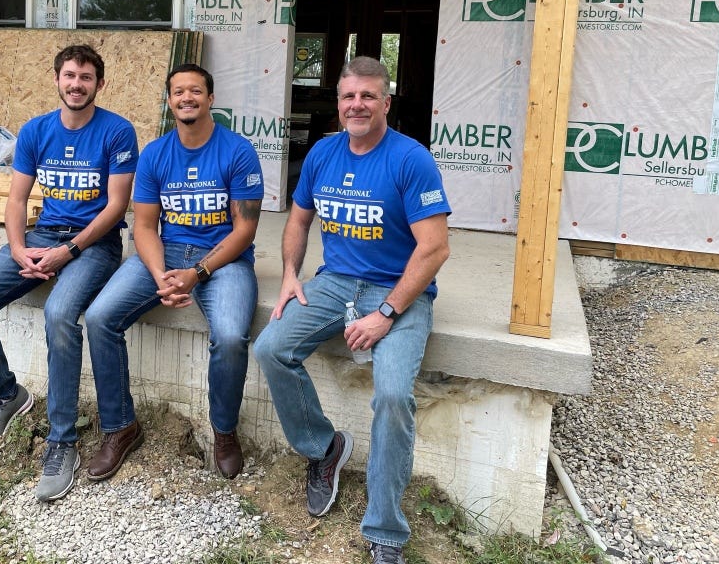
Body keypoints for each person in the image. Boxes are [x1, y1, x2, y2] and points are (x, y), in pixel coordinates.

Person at [253, 56, 450, 564]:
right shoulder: (322, 153)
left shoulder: (410, 159)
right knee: (272, 347)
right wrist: (291, 273)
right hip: (335, 281)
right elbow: (297, 221)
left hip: (398, 290)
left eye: (367, 96)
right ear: (338, 103)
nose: (356, 105)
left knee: (391, 395)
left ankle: (385, 532)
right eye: (348, 96)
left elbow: (434, 249)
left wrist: (386, 312)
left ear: (385, 102)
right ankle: (323, 449)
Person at [0, 44, 139, 503]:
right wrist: (19, 248)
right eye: (70, 75)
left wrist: (68, 251)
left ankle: (62, 442)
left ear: (100, 84)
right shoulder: (35, 131)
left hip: (92, 245)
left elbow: (117, 207)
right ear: (56, 79)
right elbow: (16, 200)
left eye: (87, 77)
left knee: (59, 315)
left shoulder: (117, 131)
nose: (77, 84)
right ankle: (5, 394)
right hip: (41, 235)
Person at [83, 63, 263, 481]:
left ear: (211, 99)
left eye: (195, 91)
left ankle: (224, 431)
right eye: (179, 92)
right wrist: (162, 272)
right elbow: (144, 226)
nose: (187, 98)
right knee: (99, 317)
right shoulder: (156, 153)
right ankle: (120, 427)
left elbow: (246, 229)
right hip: (166, 253)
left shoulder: (237, 151)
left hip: (223, 259)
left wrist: (196, 273)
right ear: (169, 101)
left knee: (233, 337)